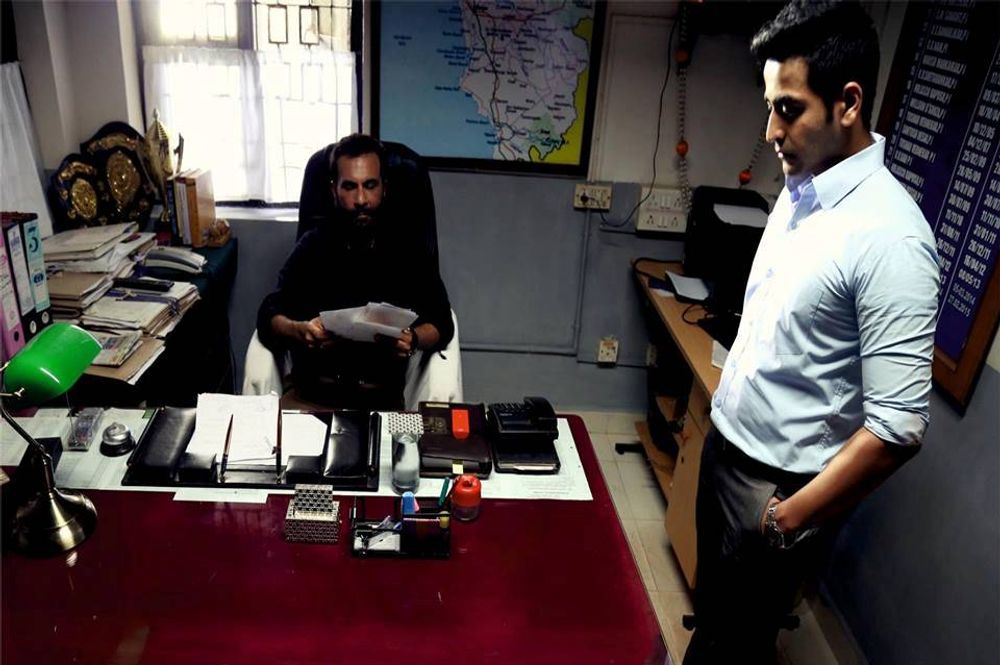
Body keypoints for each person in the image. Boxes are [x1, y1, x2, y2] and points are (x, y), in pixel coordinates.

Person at [683, 2, 940, 663]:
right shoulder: (804, 187)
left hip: (774, 488)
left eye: (788, 109)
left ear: (848, 103)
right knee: (715, 624)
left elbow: (898, 427)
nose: (770, 130)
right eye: (770, 106)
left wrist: (784, 518)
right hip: (727, 450)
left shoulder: (892, 238)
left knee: (736, 646)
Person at [256, 133, 454, 410]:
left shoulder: (407, 250)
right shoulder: (314, 245)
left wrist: (414, 338)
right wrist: (299, 331)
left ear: (384, 187)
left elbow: (442, 322)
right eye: (349, 186)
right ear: (333, 189)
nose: (361, 199)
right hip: (311, 395)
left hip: (378, 401)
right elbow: (269, 314)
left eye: (370, 185)